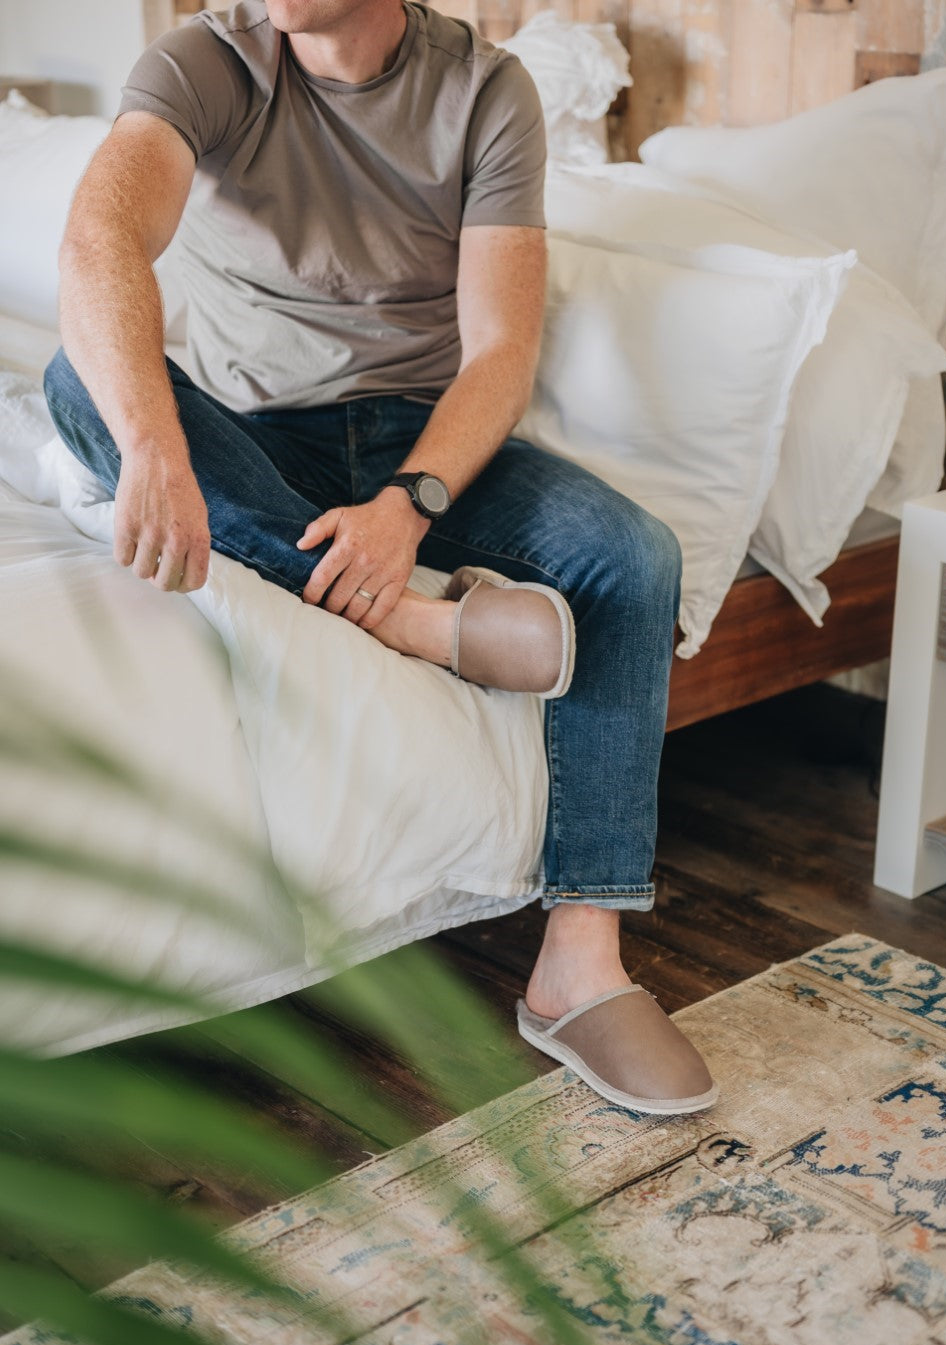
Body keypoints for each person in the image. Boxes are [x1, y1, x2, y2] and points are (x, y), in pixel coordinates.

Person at [43, 0, 718, 1115]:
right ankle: (406, 620)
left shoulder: (483, 89)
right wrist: (154, 447)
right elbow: (99, 240)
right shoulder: (207, 61)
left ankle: (579, 968)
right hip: (245, 431)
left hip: (417, 437)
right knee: (83, 387)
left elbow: (502, 349)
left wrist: (409, 506)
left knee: (630, 556)